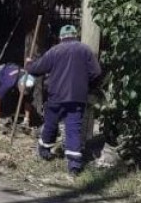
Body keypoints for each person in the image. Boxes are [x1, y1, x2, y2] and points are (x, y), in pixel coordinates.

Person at [26, 24, 102, 175]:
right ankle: (74, 165)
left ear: (61, 37)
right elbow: (97, 72)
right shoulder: (85, 50)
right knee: (73, 129)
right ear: (75, 35)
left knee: (51, 124)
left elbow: (37, 69)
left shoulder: (55, 51)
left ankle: (44, 151)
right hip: (77, 97)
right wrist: (88, 85)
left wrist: (29, 64)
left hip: (57, 96)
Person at [0, 63, 34, 131]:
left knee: (7, 98)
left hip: (8, 75)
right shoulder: (9, 82)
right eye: (22, 90)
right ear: (20, 84)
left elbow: (28, 101)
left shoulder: (30, 81)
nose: (23, 92)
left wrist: (26, 119)